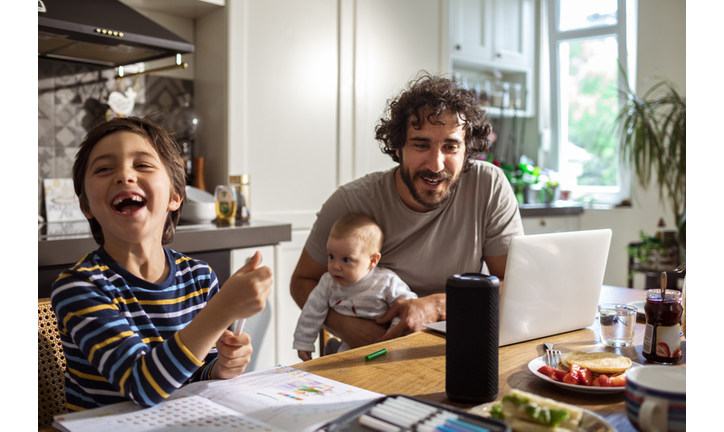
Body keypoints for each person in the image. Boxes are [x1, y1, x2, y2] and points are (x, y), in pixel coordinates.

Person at [50, 117, 273, 411]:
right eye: (104, 169)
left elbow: (191, 375)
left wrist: (220, 368)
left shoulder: (200, 277)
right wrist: (223, 310)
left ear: (175, 195)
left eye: (142, 165)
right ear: (86, 206)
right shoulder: (79, 286)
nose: (124, 175)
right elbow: (141, 385)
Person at [290, 73, 524, 350]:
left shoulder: (488, 186)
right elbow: (302, 281)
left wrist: (438, 306)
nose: (436, 165)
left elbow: (516, 285)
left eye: (450, 146)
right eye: (421, 144)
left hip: (460, 342)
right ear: (398, 147)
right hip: (374, 349)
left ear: (467, 150)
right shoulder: (351, 202)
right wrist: (348, 327)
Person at [292, 213, 417, 361]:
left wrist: (393, 333)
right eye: (331, 256)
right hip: (349, 344)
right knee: (344, 365)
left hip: (387, 342)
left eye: (346, 259)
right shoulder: (328, 283)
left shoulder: (386, 282)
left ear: (372, 261)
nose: (336, 266)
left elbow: (409, 307)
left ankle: (333, 349)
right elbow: (312, 311)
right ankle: (333, 349)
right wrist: (304, 342)